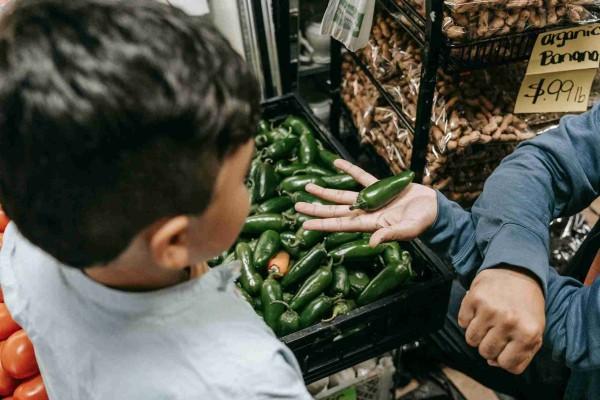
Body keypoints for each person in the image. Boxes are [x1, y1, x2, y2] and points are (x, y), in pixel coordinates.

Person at [0, 0, 312, 399]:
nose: (248, 191)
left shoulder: (25, 252)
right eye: (241, 180)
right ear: (173, 243)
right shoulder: (247, 380)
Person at [297, 104, 600, 399]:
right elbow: (543, 163)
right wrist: (511, 264)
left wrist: (508, 267)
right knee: (416, 300)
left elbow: (581, 330)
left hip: (575, 356)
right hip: (557, 330)